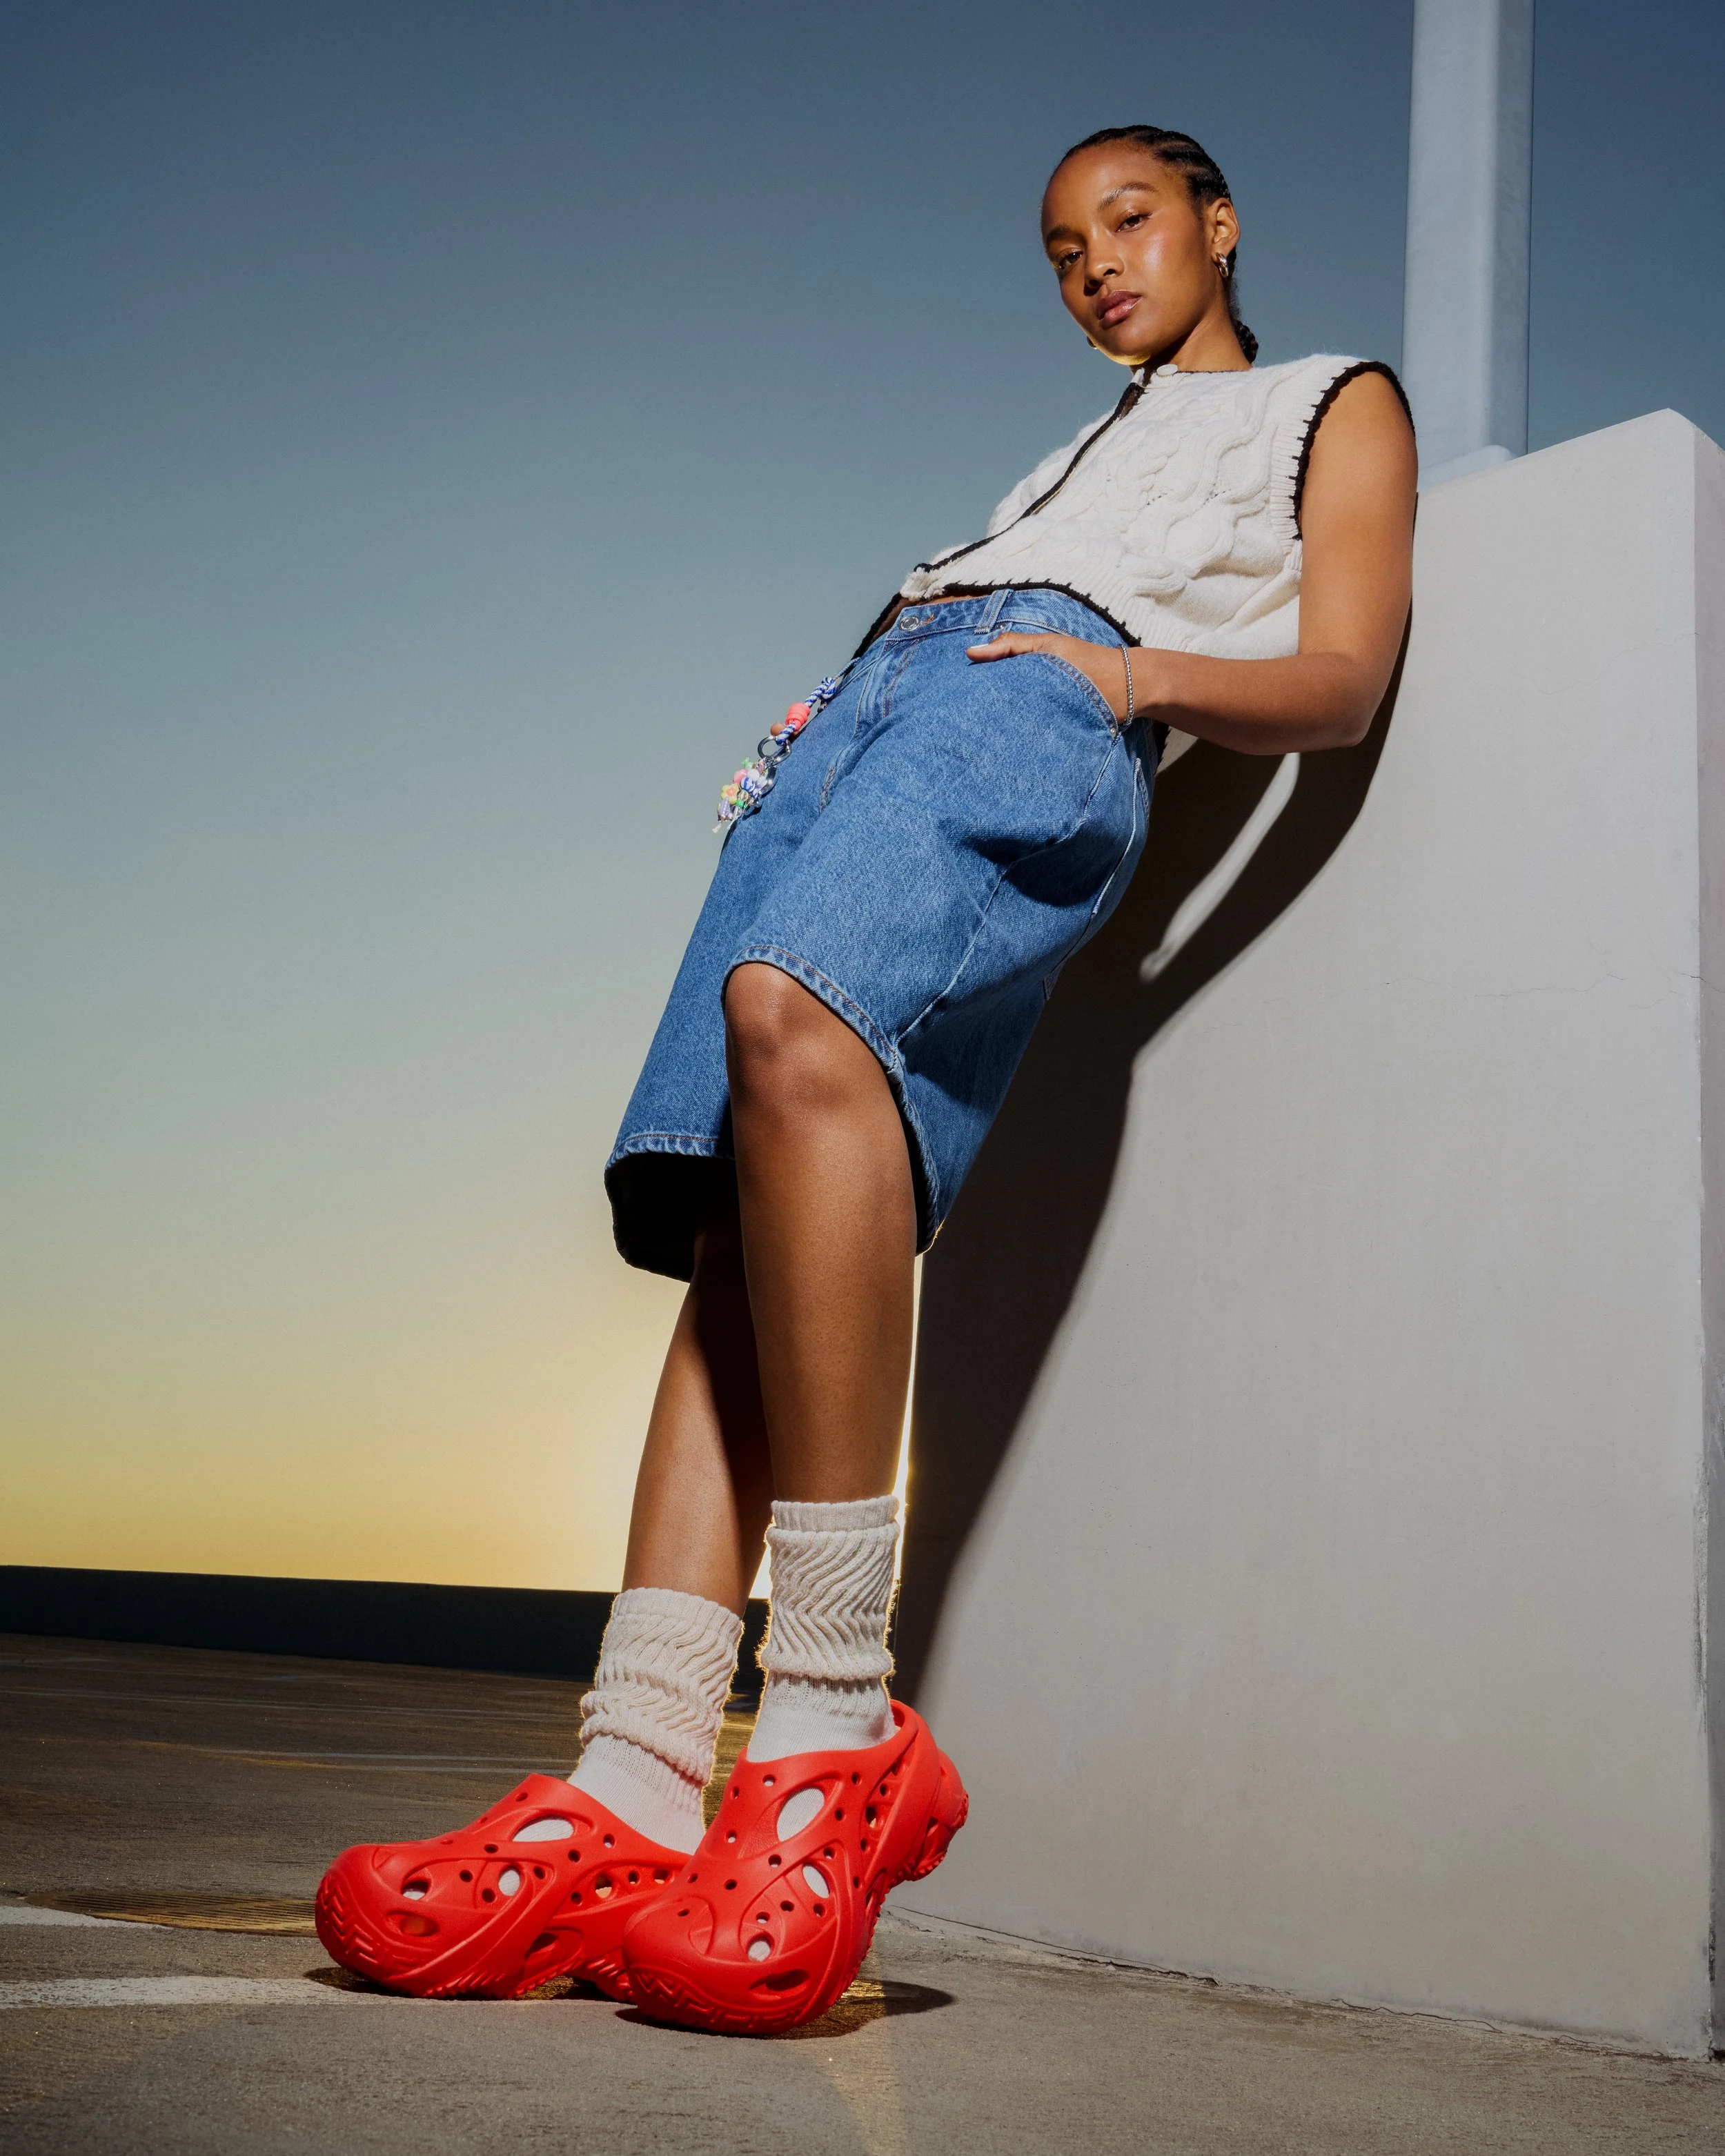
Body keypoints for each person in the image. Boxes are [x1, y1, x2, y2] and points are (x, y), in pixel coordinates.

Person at [314, 123, 1417, 2033]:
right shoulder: (1065, 453)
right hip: (872, 704)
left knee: (797, 1025)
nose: (1094, 264)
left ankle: (831, 1728)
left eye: (1129, 220)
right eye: (1060, 248)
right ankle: (633, 1780)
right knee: (734, 1222)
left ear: (1220, 223)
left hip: (1038, 690)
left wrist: (1124, 684)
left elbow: (1342, 674)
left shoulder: (1328, 400)